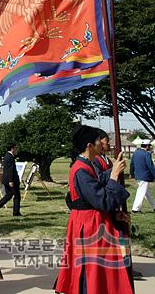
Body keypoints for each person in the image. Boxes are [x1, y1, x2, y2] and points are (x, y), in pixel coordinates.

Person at [54, 125, 132, 294]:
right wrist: (113, 176)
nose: (102, 144)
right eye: (99, 141)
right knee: (90, 271)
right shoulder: (81, 169)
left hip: (93, 221)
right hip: (89, 225)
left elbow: (97, 182)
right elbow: (102, 200)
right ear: (89, 145)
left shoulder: (86, 165)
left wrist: (114, 170)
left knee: (95, 268)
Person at [0, 143, 21, 217]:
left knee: (9, 195)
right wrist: (11, 180)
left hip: (7, 179)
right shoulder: (10, 157)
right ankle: (16, 212)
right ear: (12, 148)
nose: (16, 149)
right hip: (11, 180)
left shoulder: (7, 156)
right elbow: (10, 170)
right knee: (17, 196)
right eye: (15, 148)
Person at [130, 139, 155, 213]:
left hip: (138, 175)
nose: (150, 147)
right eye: (149, 146)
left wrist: (132, 174)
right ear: (147, 146)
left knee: (146, 193)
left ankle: (154, 206)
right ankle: (135, 209)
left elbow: (132, 164)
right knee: (141, 192)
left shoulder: (135, 153)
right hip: (145, 176)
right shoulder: (147, 154)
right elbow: (150, 166)